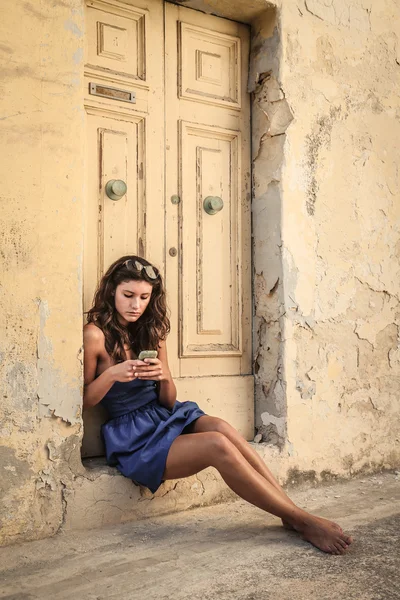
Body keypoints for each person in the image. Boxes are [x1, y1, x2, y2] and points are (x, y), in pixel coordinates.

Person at [83, 255, 353, 555]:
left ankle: (290, 511)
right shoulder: (94, 335)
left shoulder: (152, 332)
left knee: (222, 427)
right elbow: (86, 400)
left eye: (144, 297)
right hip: (134, 435)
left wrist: (163, 377)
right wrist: (112, 374)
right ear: (111, 292)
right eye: (128, 295)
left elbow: (169, 400)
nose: (136, 305)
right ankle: (301, 520)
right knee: (216, 444)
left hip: (164, 415)